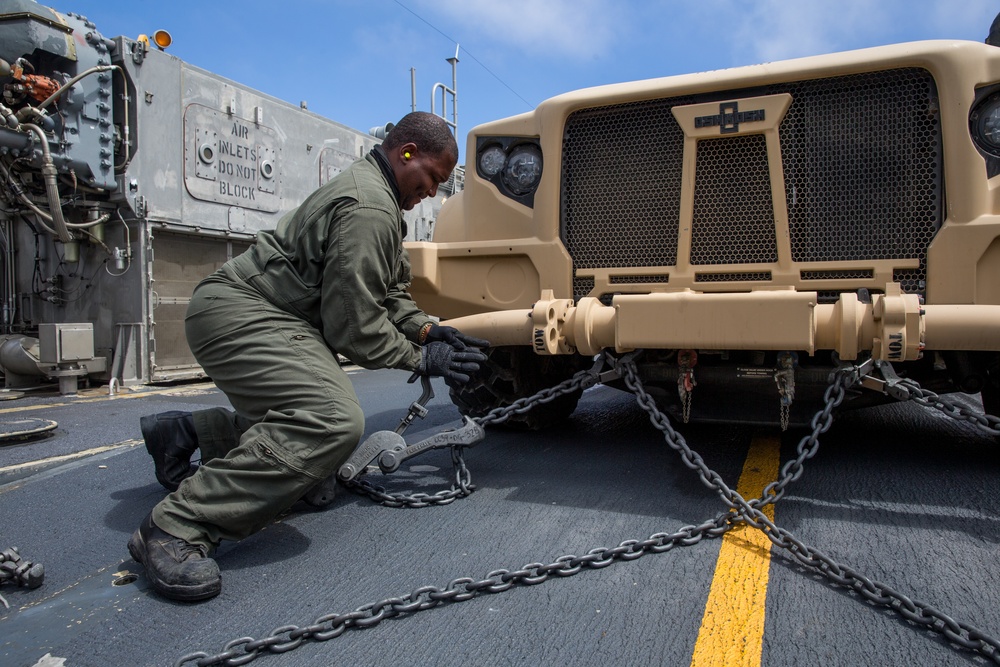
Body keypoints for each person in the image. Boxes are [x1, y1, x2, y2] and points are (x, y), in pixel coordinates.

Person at [127, 111, 488, 602]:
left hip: (263, 313)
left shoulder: (380, 203)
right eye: (432, 179)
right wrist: (420, 359)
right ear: (407, 154)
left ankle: (188, 434)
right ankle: (176, 526)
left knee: (315, 466)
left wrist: (428, 330)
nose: (433, 193)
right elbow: (353, 325)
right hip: (242, 312)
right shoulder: (369, 208)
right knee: (331, 422)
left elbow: (388, 292)